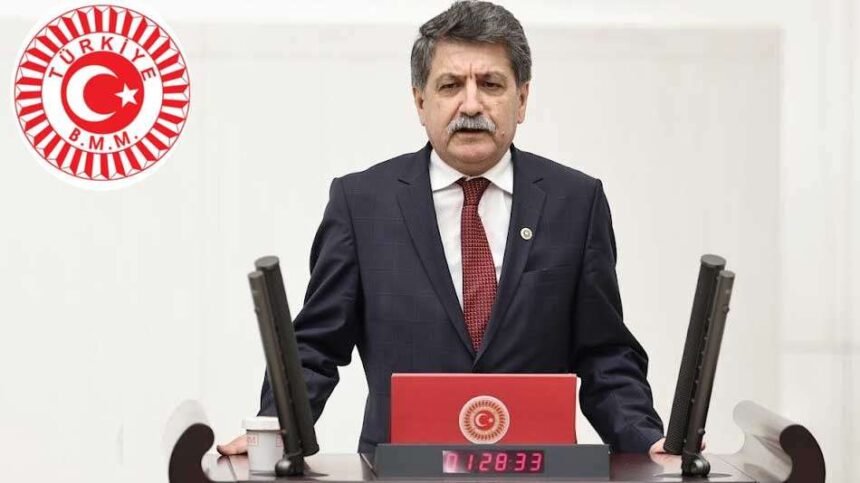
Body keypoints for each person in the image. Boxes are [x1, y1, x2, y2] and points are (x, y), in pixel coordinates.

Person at [219, 0, 669, 456]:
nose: (470, 104)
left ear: (522, 99)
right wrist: (276, 429)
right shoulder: (362, 203)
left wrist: (647, 441)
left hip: (536, 471)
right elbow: (315, 345)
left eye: (490, 84)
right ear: (420, 101)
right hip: (400, 471)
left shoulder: (576, 202)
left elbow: (604, 353)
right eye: (451, 85)